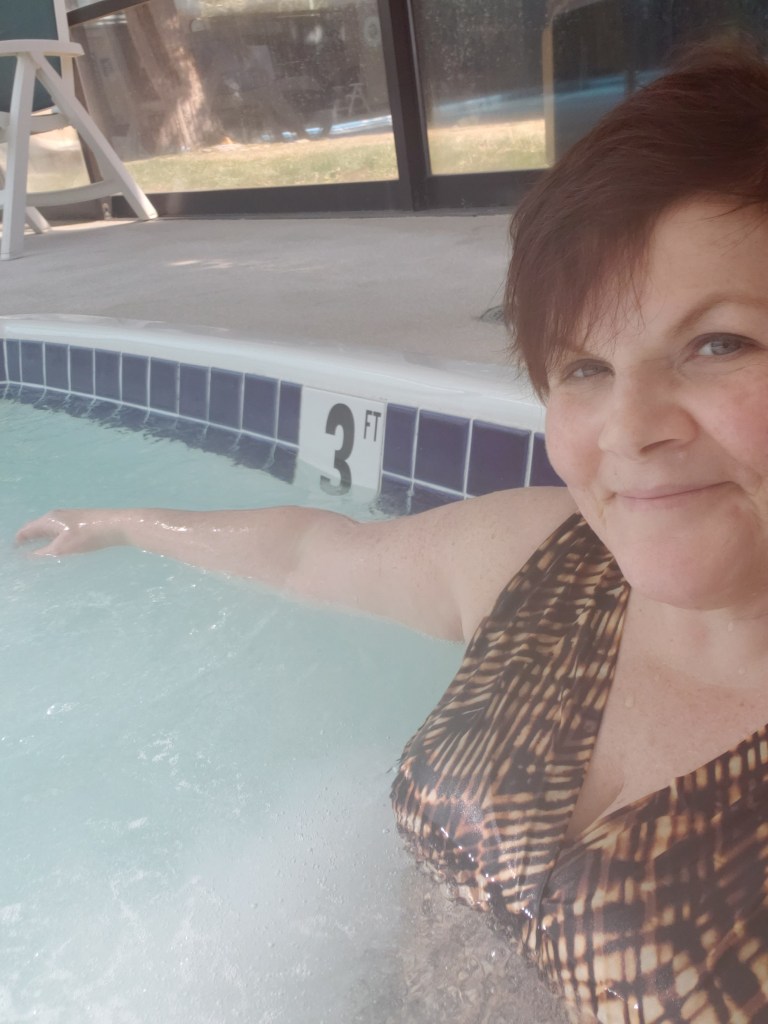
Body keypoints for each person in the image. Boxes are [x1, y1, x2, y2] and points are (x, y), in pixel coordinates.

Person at [16, 40, 768, 1024]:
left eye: (718, 343)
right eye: (585, 367)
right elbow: (311, 552)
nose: (629, 428)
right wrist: (124, 522)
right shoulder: (546, 564)